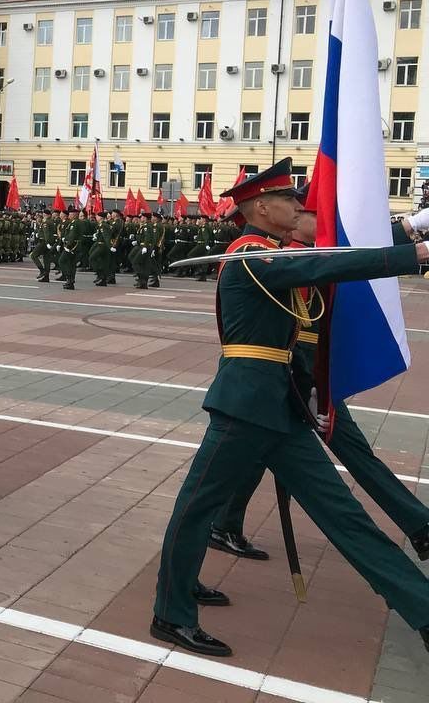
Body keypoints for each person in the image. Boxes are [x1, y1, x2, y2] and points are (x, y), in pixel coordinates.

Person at [150, 158, 429, 658]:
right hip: (243, 406)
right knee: (196, 508)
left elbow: (327, 254)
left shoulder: (276, 255)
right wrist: (418, 253)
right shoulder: (247, 256)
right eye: (292, 202)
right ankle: (171, 611)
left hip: (281, 408)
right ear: (262, 207)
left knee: (347, 519)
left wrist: (408, 233)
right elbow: (324, 263)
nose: (300, 208)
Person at [209, 182, 429, 564]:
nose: (305, 215)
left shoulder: (303, 249)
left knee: (261, 452)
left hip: (306, 375)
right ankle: (419, 528)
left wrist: (414, 225)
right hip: (293, 377)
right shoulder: (282, 255)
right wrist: (416, 244)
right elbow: (344, 259)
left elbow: (349, 250)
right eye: (317, 214)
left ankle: (222, 523)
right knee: (341, 456)